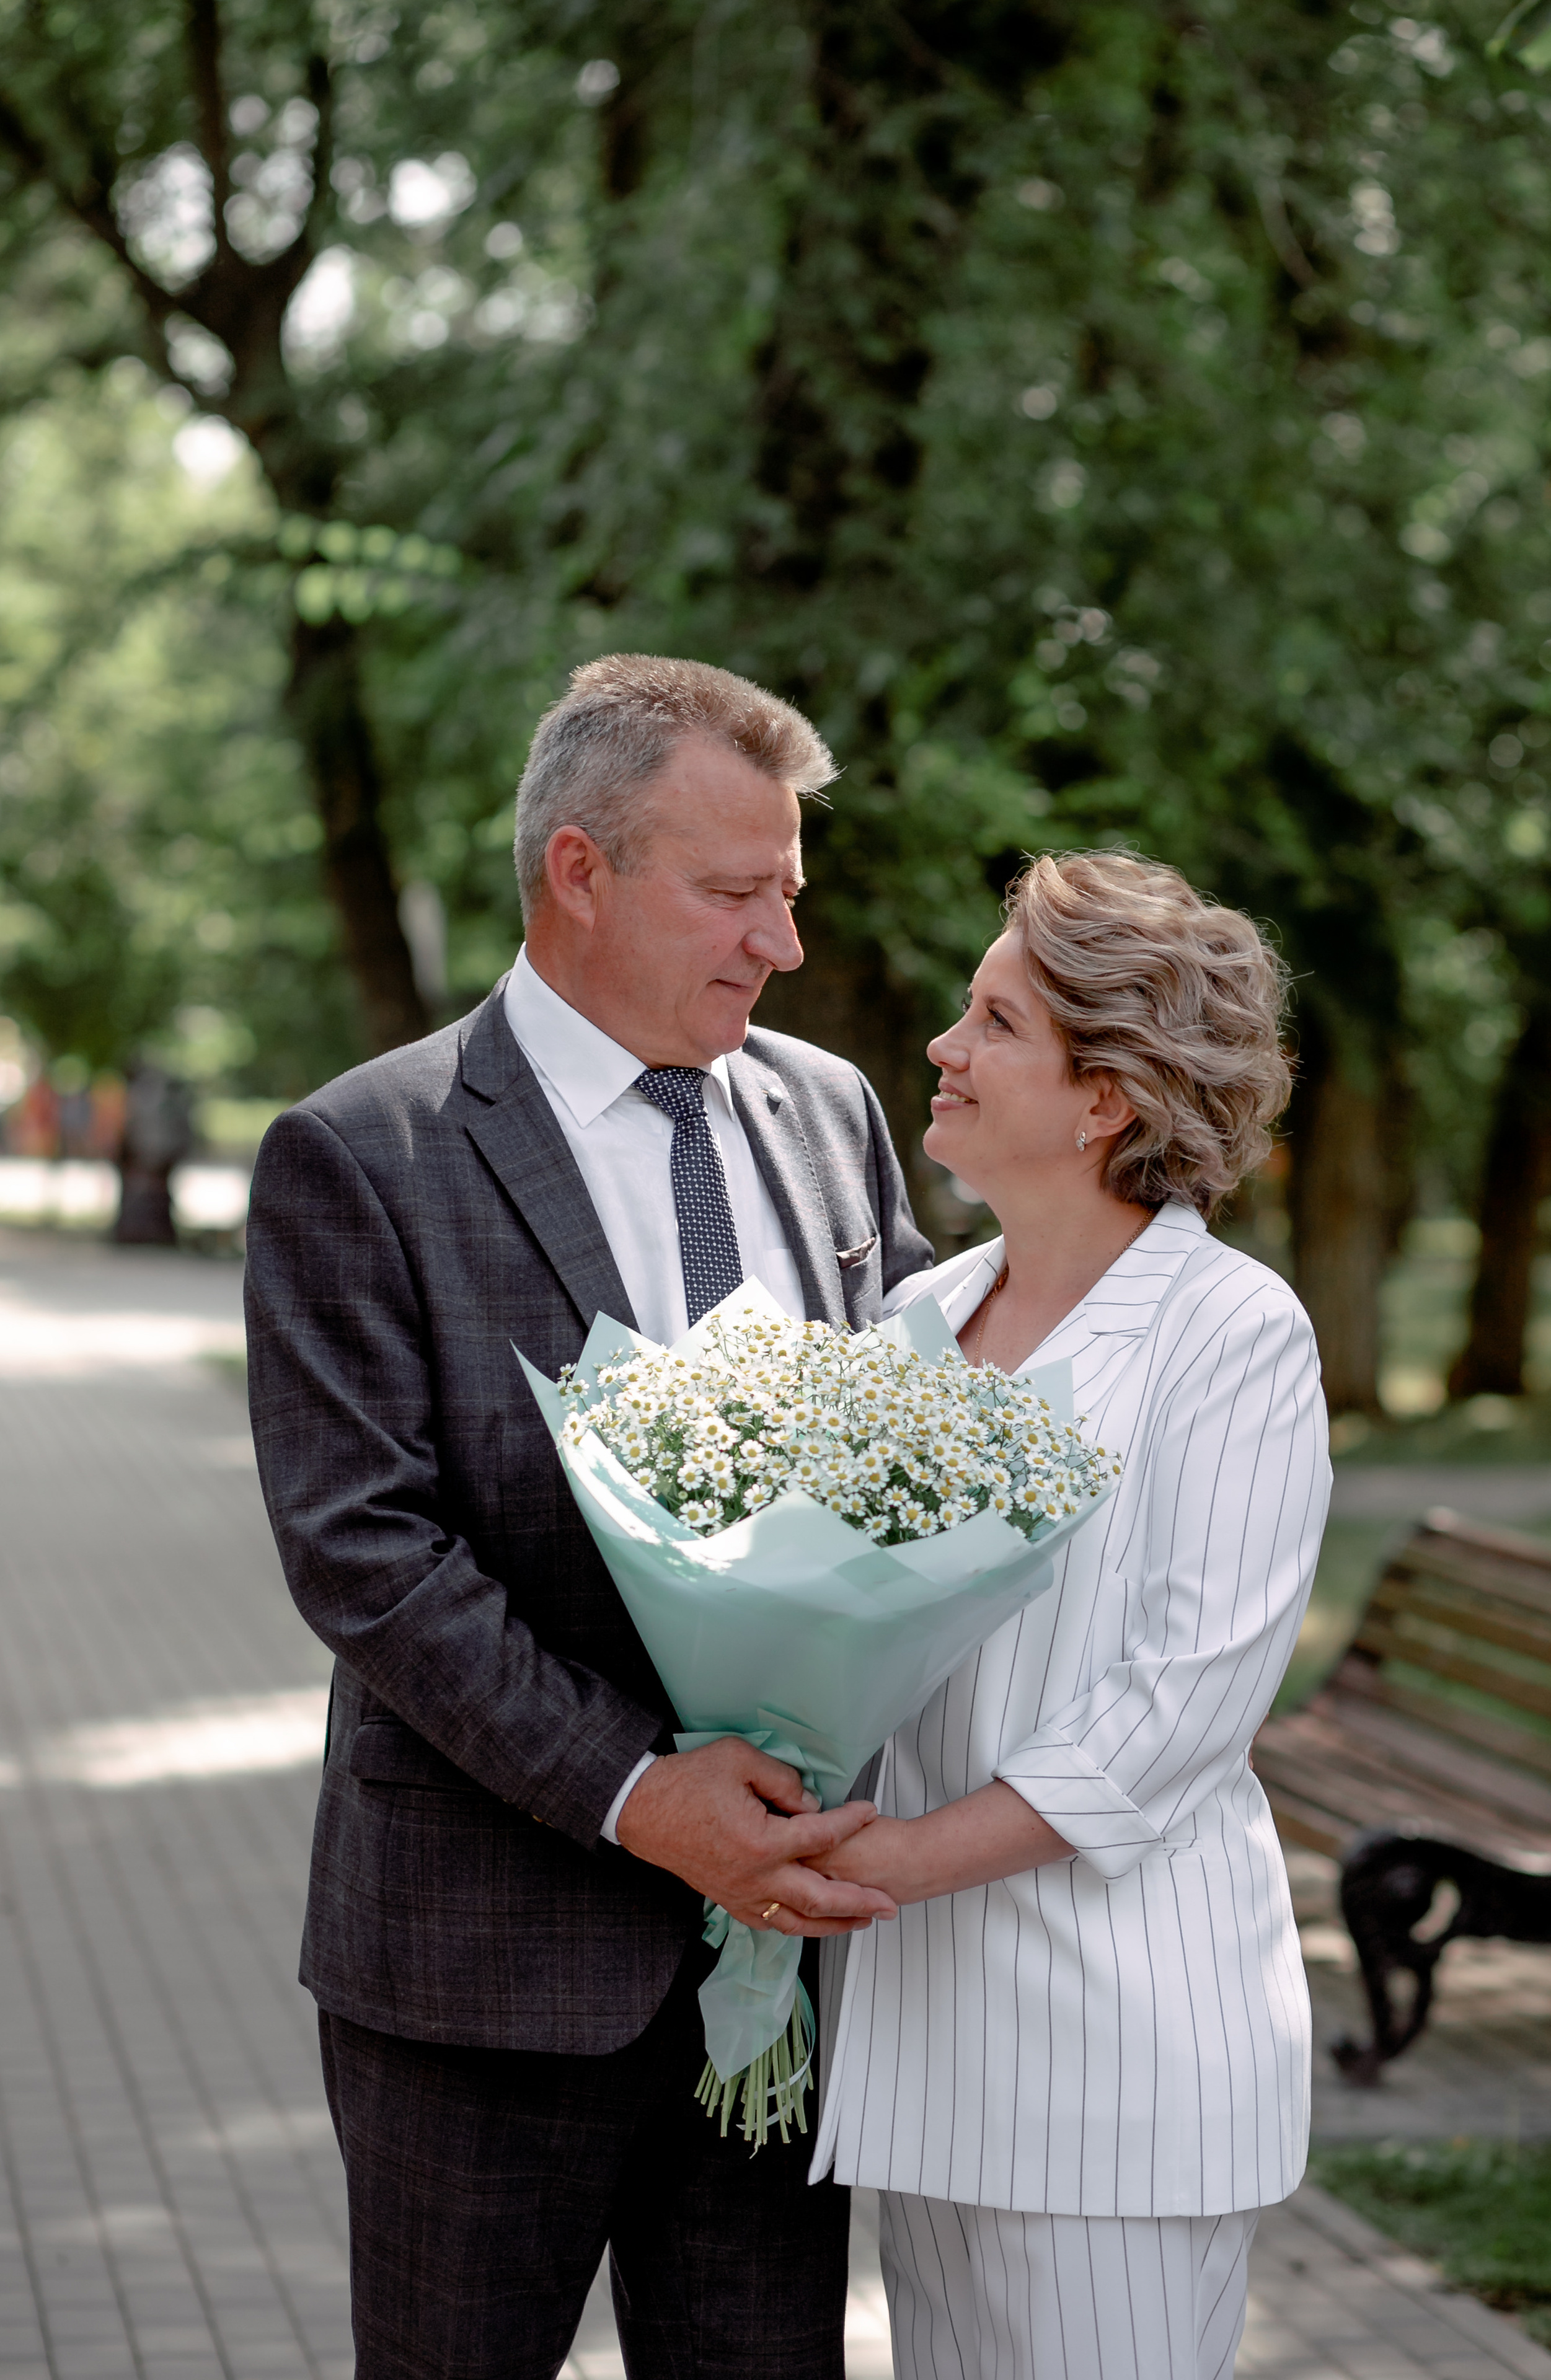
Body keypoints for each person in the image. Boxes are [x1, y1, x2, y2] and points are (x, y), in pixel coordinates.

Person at [244, 654, 934, 2380]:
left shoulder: (830, 1111)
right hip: (484, 1964)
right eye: (733, 894)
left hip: (775, 1955)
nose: (778, 942)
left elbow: (923, 1444)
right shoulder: (362, 1149)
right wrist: (640, 1796)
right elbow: (368, 1559)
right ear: (580, 871)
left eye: (791, 892)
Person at [806, 849, 1330, 2380]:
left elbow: (1176, 1711)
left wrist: (893, 1860)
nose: (940, 1049)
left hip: (1116, 2054)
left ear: (1102, 1098)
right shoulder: (912, 1321)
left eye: (991, 1022)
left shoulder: (1230, 1334)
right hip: (918, 2047)